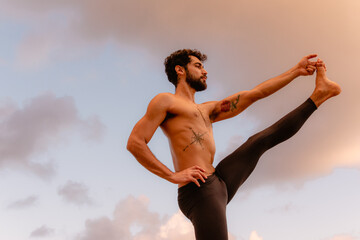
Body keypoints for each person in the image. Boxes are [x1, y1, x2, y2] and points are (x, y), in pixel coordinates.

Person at [127, 49, 341, 240]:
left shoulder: (208, 110)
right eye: (198, 66)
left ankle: (319, 95)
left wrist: (295, 71)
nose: (205, 72)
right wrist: (171, 175)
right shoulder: (165, 101)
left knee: (259, 141)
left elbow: (255, 93)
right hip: (198, 191)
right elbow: (135, 142)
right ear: (180, 70)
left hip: (219, 180)